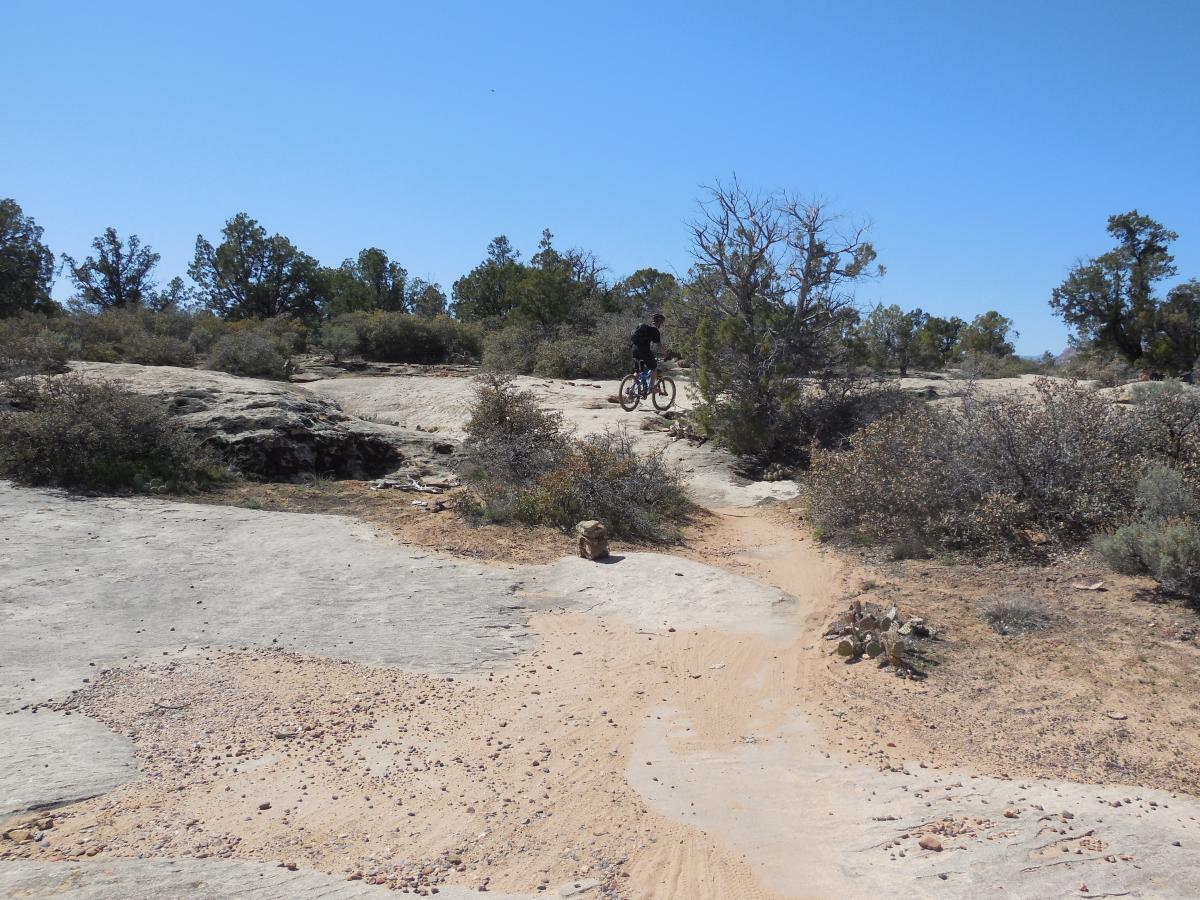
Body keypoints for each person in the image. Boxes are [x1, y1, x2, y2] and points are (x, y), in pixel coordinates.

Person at [630, 313, 666, 393]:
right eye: (662, 322)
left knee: (638, 372)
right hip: (643, 350)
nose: (662, 324)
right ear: (659, 322)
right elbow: (659, 345)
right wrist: (665, 353)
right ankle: (652, 388)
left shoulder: (645, 328)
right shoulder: (655, 330)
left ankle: (631, 390)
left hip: (634, 349)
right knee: (654, 368)